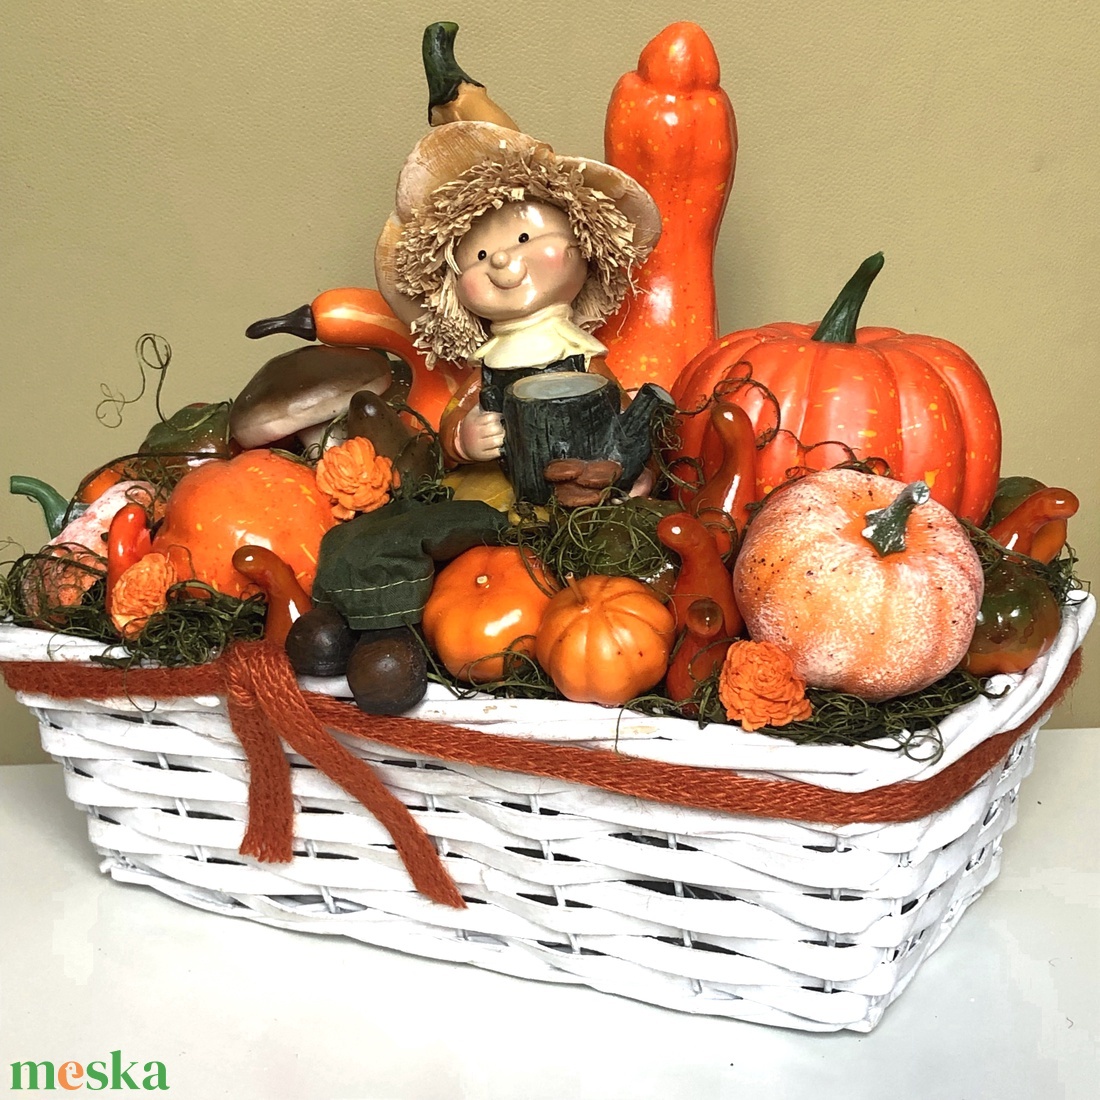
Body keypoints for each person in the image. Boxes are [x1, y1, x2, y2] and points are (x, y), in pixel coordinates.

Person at [373, 121, 661, 471]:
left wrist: (632, 449)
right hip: (511, 480)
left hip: (585, 475)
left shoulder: (581, 356)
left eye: (524, 238)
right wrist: (463, 439)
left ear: (585, 244)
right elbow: (453, 418)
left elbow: (618, 413)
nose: (499, 258)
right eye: (479, 256)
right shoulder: (488, 371)